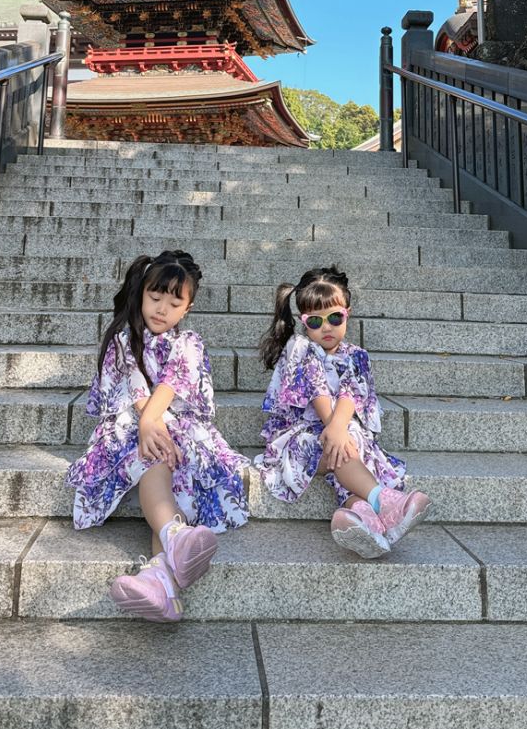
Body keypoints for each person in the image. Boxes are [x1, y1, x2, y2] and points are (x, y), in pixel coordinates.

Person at [66, 249, 248, 621]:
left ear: (188, 308)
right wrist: (148, 423)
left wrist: (154, 422)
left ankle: (158, 577)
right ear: (142, 294)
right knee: (153, 453)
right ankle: (173, 540)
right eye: (155, 297)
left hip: (173, 425)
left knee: (164, 455)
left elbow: (172, 382)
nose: (162, 308)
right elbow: (133, 387)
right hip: (133, 422)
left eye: (174, 301)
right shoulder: (123, 339)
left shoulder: (189, 343)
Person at [254, 265, 431, 557]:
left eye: (335, 317)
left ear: (347, 313)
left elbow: (351, 393)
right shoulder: (299, 348)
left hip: (342, 435)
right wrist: (333, 428)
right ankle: (383, 500)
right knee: (336, 439)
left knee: (350, 438)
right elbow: (315, 387)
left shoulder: (356, 355)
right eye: (316, 321)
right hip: (303, 437)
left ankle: (362, 518)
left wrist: (338, 429)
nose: (327, 327)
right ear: (303, 322)